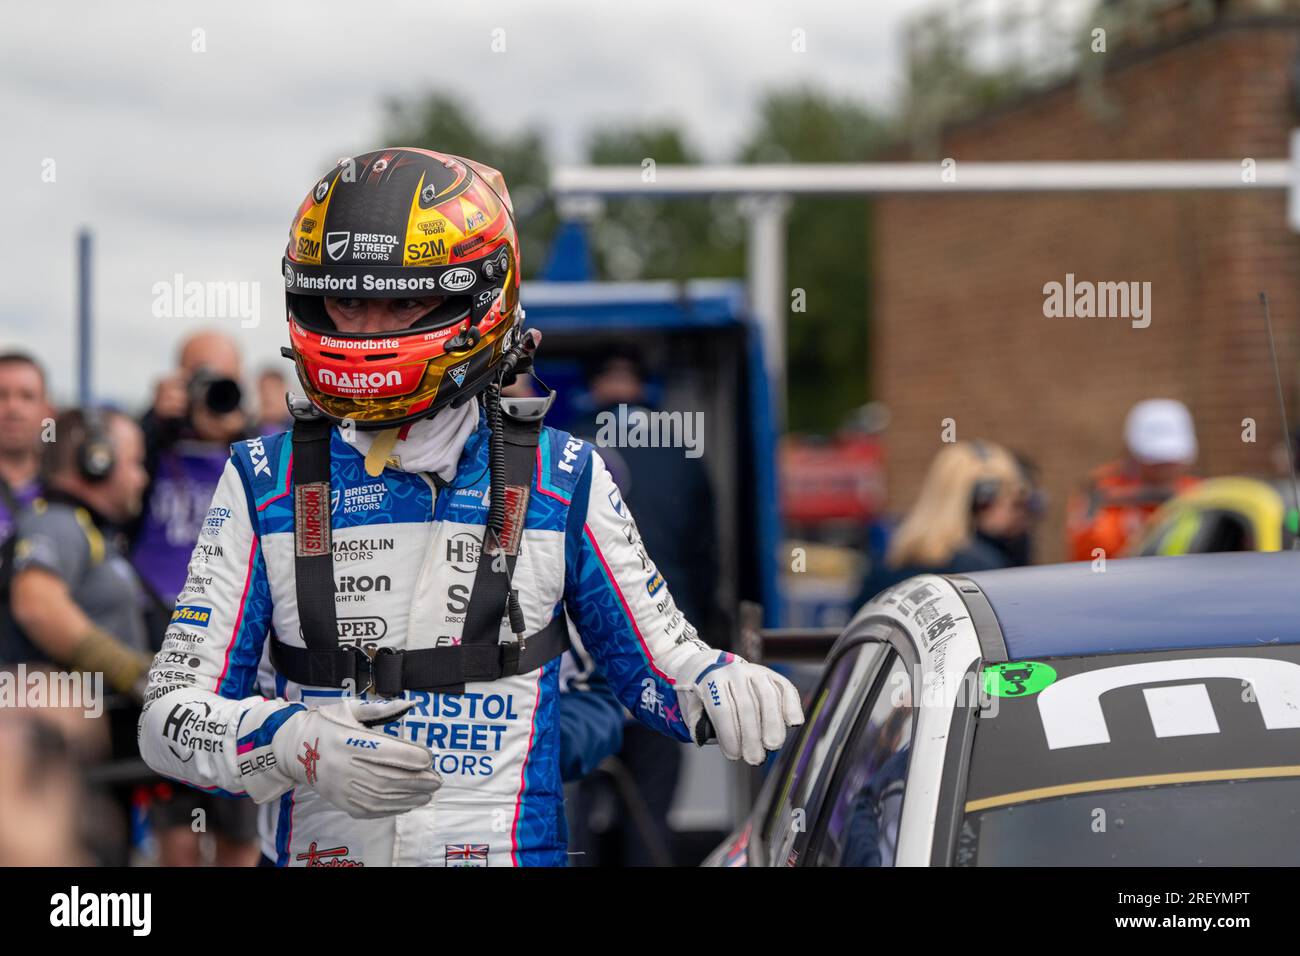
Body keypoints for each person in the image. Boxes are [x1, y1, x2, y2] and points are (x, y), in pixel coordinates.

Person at [138, 147, 803, 867]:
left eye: (403, 300)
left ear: (480, 296)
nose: (367, 329)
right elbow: (168, 719)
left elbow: (654, 672)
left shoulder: (563, 474)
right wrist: (292, 743)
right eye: (348, 300)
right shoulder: (263, 478)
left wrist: (716, 682)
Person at [572, 344, 720, 866]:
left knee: (576, 799)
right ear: (643, 387)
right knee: (651, 806)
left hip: (580, 659)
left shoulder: (565, 447)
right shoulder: (679, 453)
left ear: (590, 387)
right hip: (665, 652)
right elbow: (707, 558)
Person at [857, 439, 1029, 604]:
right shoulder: (981, 567)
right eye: (1014, 502)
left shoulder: (891, 558)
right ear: (980, 502)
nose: (1019, 513)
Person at [1066, 398, 1200, 562]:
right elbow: (1090, 560)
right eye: (1155, 459)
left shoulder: (1202, 494)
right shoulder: (1103, 496)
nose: (1164, 467)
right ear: (1132, 452)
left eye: (1170, 459)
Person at [0, 352, 54, 661]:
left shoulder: (70, 493)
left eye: (26, 396)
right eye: (1, 395)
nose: (13, 408)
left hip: (53, 669)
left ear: (47, 411)